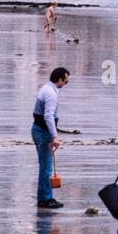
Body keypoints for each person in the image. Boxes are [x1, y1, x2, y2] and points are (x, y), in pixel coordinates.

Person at [32, 67, 69, 209]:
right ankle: (45, 199)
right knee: (46, 168)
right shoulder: (51, 94)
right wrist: (55, 136)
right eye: (66, 81)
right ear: (59, 79)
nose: (65, 84)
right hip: (43, 132)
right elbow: (48, 116)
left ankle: (46, 197)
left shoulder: (45, 88)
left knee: (44, 166)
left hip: (37, 129)